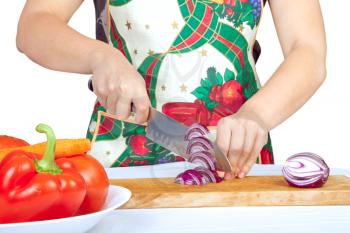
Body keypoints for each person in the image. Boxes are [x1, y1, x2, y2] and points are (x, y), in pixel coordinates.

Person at [16, 0, 326, 179]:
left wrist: (258, 114)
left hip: (235, 159)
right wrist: (99, 56)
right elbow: (35, 24)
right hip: (121, 156)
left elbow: (308, 50)